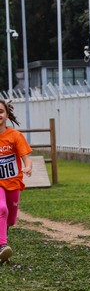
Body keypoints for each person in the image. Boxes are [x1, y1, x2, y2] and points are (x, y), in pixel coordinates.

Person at [0, 100, 33, 262]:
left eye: (0, 111)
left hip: (13, 183)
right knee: (1, 209)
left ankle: (2, 237)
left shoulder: (15, 136)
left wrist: (27, 167)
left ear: (6, 115)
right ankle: (2, 245)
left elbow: (26, 157)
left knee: (10, 220)